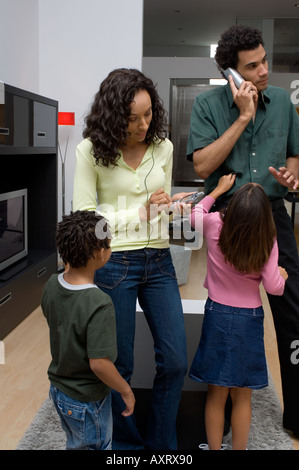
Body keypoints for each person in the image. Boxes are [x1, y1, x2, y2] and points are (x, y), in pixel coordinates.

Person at [187, 24, 299, 438]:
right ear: (230, 74)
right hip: (227, 210)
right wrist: (244, 116)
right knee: (228, 304)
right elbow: (201, 167)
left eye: (265, 60)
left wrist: (293, 177)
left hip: (271, 211)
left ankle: (296, 414)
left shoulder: (285, 102)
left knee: (294, 310)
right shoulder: (207, 105)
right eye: (253, 66)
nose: (265, 70)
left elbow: (294, 153)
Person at [73, 68, 189, 450]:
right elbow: (84, 221)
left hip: (159, 261)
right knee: (118, 366)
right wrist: (136, 214)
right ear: (112, 116)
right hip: (114, 265)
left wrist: (171, 209)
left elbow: (163, 211)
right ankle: (124, 446)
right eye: (133, 118)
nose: (143, 125)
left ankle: (162, 447)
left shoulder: (164, 147)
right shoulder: (89, 152)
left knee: (174, 361)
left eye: (148, 114)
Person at [189, 174, 287, 450]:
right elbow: (274, 287)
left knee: (216, 392)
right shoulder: (267, 238)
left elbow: (195, 215)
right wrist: (282, 276)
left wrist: (217, 190)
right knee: (243, 396)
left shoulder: (215, 224)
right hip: (250, 318)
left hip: (217, 313)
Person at [41, 210, 135, 450]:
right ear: (100, 253)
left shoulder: (52, 284)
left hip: (59, 390)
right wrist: (125, 390)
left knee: (76, 442)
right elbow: (99, 363)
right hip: (87, 398)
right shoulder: (99, 303)